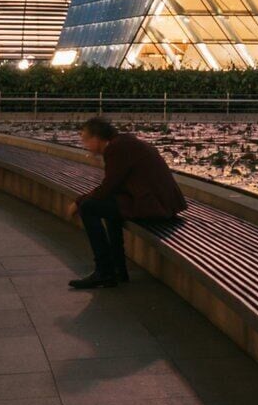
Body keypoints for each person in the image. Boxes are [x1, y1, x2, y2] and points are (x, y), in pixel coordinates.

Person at [69, 115, 186, 290]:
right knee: (108, 206)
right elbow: (114, 186)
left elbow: (109, 186)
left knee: (88, 207)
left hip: (155, 205)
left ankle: (104, 270)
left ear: (96, 138)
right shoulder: (122, 143)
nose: (84, 144)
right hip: (159, 201)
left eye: (85, 139)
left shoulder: (117, 148)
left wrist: (78, 202)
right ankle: (117, 269)